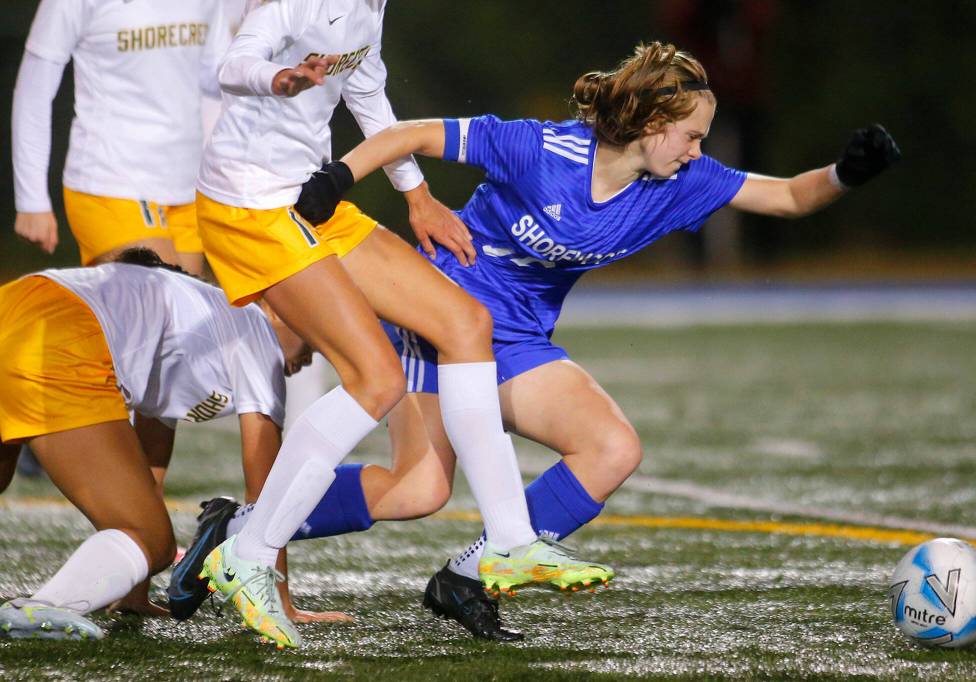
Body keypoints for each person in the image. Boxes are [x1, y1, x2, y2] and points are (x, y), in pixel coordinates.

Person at [193, 41, 902, 640]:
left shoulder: (681, 183)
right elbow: (412, 133)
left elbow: (788, 197)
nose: (697, 151)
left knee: (611, 449)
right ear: (653, 124)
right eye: (690, 135)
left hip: (519, 340)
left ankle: (469, 577)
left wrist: (846, 174)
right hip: (438, 319)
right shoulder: (541, 150)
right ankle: (242, 528)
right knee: (417, 490)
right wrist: (343, 175)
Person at [193, 0, 612, 650]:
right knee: (376, 379)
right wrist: (276, 78)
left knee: (465, 321)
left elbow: (368, 90)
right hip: (251, 205)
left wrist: (416, 194)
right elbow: (232, 62)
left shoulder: (368, 7)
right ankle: (249, 552)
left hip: (307, 197)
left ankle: (508, 542)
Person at [0, 253, 327, 640]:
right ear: (273, 308)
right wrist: (279, 600)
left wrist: (132, 591)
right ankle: (44, 608)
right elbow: (266, 494)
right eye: (311, 330)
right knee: (151, 539)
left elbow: (145, 473)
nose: (313, 351)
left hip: (17, 301)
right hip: (63, 333)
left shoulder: (187, 325)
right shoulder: (252, 327)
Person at [11, 0, 221, 275]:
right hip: (111, 181)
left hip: (186, 186)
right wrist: (31, 200)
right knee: (156, 304)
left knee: (182, 314)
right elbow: (33, 92)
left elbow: (215, 77)